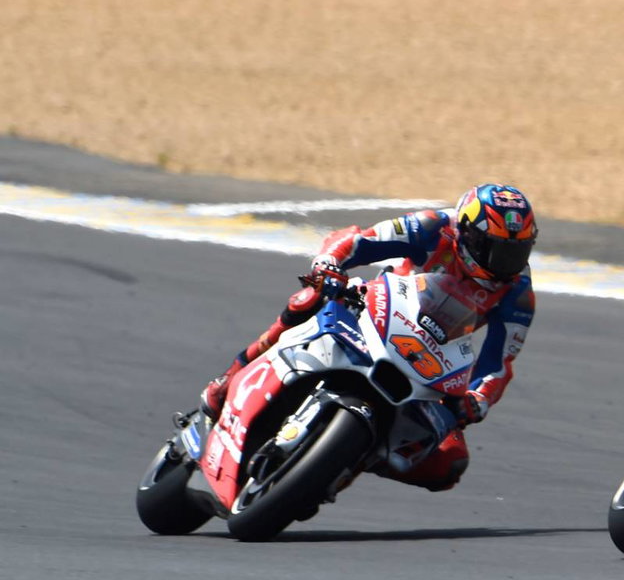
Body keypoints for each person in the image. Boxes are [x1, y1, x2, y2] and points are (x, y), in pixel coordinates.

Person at [197, 183, 540, 491]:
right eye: (495, 249)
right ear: (467, 233)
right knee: (310, 297)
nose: (505, 263)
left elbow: (499, 363)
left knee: (448, 462)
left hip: (433, 358)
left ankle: (349, 461)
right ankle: (230, 377)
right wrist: (328, 265)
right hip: (378, 313)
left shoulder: (518, 292)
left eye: (517, 251)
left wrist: (477, 400)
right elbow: (359, 241)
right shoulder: (433, 226)